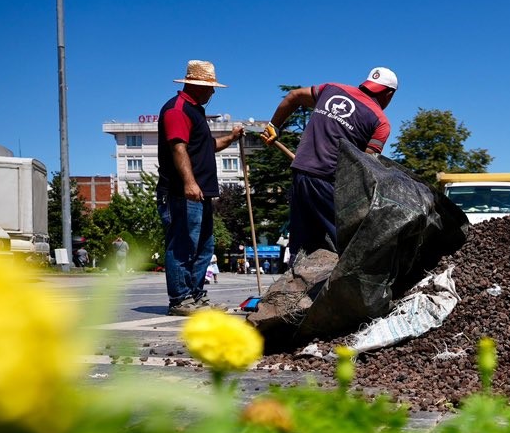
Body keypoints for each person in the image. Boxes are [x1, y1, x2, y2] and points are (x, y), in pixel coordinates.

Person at [261, 67, 398, 258]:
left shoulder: (332, 89)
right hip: (328, 183)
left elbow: (294, 96)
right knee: (349, 246)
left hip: (300, 174)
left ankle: (296, 283)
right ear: (389, 94)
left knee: (302, 247)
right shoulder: (380, 121)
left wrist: (273, 125)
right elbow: (365, 167)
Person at [157, 60, 243, 316]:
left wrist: (230, 138)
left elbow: (206, 148)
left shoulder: (195, 112)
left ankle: (195, 296)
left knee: (204, 246)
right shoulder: (177, 110)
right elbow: (178, 146)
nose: (213, 92)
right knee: (182, 245)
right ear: (195, 85)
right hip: (181, 193)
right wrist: (189, 182)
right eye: (210, 87)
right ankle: (180, 299)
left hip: (201, 193)